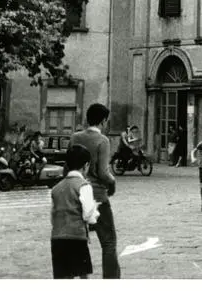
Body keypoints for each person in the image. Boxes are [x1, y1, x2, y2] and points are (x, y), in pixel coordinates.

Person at [70, 103, 120, 279]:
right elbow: (103, 173)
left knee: (80, 240)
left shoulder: (75, 137)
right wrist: (112, 183)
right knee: (108, 242)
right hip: (97, 195)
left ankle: (83, 278)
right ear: (104, 120)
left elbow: (68, 167)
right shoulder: (103, 141)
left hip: (76, 194)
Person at [50, 144, 100, 279]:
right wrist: (95, 214)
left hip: (57, 238)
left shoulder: (56, 188)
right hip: (77, 236)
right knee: (83, 275)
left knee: (64, 277)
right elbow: (88, 214)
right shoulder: (84, 185)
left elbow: (53, 215)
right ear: (86, 166)